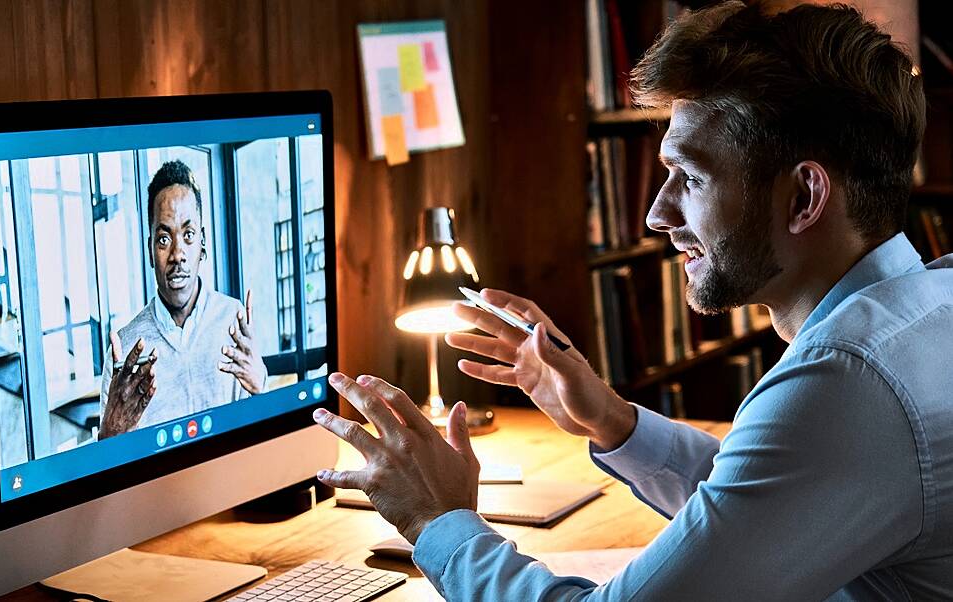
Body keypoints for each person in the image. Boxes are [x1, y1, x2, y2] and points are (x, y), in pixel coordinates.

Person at [310, 2, 953, 599]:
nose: (655, 213)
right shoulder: (929, 302)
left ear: (804, 198)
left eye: (691, 177)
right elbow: (767, 504)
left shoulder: (848, 384)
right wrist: (612, 421)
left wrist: (437, 521)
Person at [99, 160, 267, 438]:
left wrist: (261, 386)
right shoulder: (126, 349)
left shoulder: (233, 320)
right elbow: (106, 464)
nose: (177, 254)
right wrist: (109, 434)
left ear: (202, 243)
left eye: (188, 235)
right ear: (150, 250)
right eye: (164, 239)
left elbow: (261, 436)